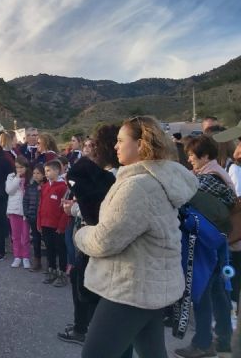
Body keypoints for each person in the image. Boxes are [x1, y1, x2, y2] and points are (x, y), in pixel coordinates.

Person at [75, 116, 198, 358]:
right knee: (151, 352)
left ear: (140, 145)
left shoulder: (138, 187)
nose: (115, 146)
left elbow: (104, 241)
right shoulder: (158, 178)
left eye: (121, 140)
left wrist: (81, 234)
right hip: (151, 282)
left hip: (130, 286)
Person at [56, 124, 119, 347]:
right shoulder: (103, 173)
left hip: (96, 238)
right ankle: (83, 326)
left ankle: (85, 329)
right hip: (90, 234)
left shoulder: (110, 175)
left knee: (86, 284)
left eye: (93, 146)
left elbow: (101, 210)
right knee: (79, 280)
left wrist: (73, 208)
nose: (89, 150)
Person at [174, 134, 235, 357]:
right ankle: (224, 338)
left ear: (205, 155)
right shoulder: (217, 173)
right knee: (218, 291)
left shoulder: (209, 179)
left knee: (201, 290)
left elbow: (183, 196)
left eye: (192, 155)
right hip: (218, 240)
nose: (189, 159)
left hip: (206, 243)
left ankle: (202, 343)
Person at [37, 160, 69, 287]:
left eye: (49, 170)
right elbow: (41, 205)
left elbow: (65, 209)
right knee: (49, 248)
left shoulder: (63, 187)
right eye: (45, 171)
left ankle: (62, 273)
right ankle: (51, 270)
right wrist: (39, 222)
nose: (46, 173)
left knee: (60, 249)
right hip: (45, 224)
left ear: (57, 171)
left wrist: (61, 226)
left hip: (57, 226)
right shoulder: (45, 187)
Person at [5, 155, 31, 268]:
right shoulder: (11, 176)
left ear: (26, 167)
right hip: (14, 210)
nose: (19, 170)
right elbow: (9, 190)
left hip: (25, 211)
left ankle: (25, 257)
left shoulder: (30, 178)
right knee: (15, 235)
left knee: (25, 236)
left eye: (21, 167)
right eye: (17, 167)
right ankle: (17, 256)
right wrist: (17, 178)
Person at [24, 163, 44, 271]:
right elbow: (25, 200)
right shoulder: (30, 187)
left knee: (47, 240)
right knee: (36, 239)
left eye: (38, 173)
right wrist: (27, 213)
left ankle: (52, 264)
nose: (36, 175)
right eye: (34, 173)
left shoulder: (45, 186)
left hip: (44, 218)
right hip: (33, 217)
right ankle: (37, 261)